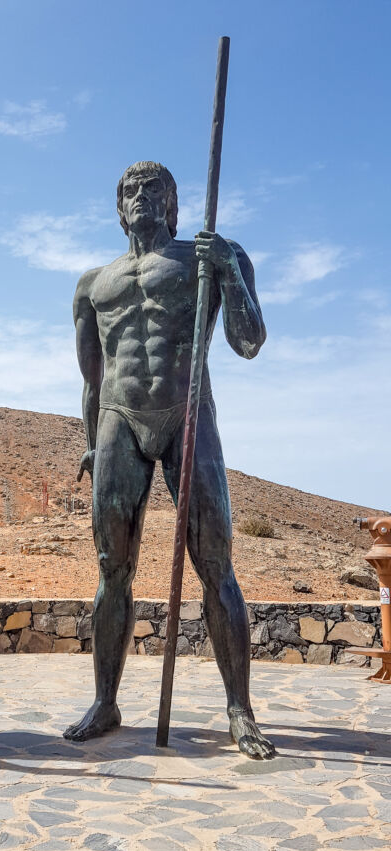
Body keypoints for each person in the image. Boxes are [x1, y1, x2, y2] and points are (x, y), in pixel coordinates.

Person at [65, 161, 274, 759]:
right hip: (117, 422)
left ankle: (240, 709)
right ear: (117, 206)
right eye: (130, 191)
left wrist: (230, 272)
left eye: (154, 190)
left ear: (174, 204)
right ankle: (105, 702)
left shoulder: (209, 257)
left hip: (187, 414)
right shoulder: (93, 284)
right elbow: (91, 375)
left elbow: (250, 341)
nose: (141, 198)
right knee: (112, 568)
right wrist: (88, 439)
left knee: (215, 562)